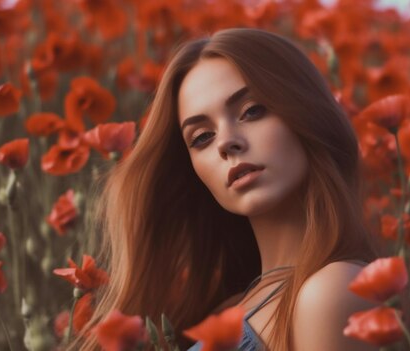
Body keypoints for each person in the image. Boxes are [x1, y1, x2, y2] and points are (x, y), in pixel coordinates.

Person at [78, 28, 377, 351]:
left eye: (252, 111)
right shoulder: (230, 307)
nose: (226, 143)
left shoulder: (331, 292)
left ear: (307, 112)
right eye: (202, 137)